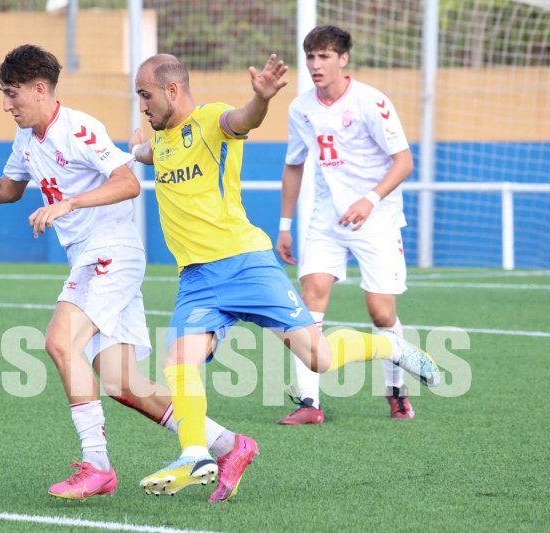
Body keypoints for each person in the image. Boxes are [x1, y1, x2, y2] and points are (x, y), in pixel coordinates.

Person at [0, 44, 255, 503]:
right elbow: (9, 189)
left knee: (60, 342)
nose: (6, 105)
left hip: (111, 253)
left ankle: (97, 465)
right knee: (123, 383)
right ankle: (230, 444)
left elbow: (128, 182)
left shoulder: (79, 128)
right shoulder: (26, 140)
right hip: (94, 257)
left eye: (12, 94)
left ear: (39, 90)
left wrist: (69, 202)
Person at [130, 52, 440, 499]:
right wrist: (132, 148)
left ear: (172, 90)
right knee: (178, 362)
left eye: (145, 95)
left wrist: (260, 100)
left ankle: (391, 345)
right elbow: (144, 152)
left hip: (246, 264)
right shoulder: (159, 142)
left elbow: (242, 119)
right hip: (197, 279)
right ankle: (195, 452)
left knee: (319, 358)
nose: (142, 105)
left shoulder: (211, 120)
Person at [276, 25, 418, 424]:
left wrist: (370, 200)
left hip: (378, 218)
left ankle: (396, 390)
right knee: (311, 299)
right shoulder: (300, 107)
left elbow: (404, 162)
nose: (316, 65)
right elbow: (293, 165)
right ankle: (309, 404)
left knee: (380, 312)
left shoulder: (371, 102)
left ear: (343, 59)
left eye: (324, 56)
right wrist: (284, 224)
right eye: (311, 56)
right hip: (326, 219)